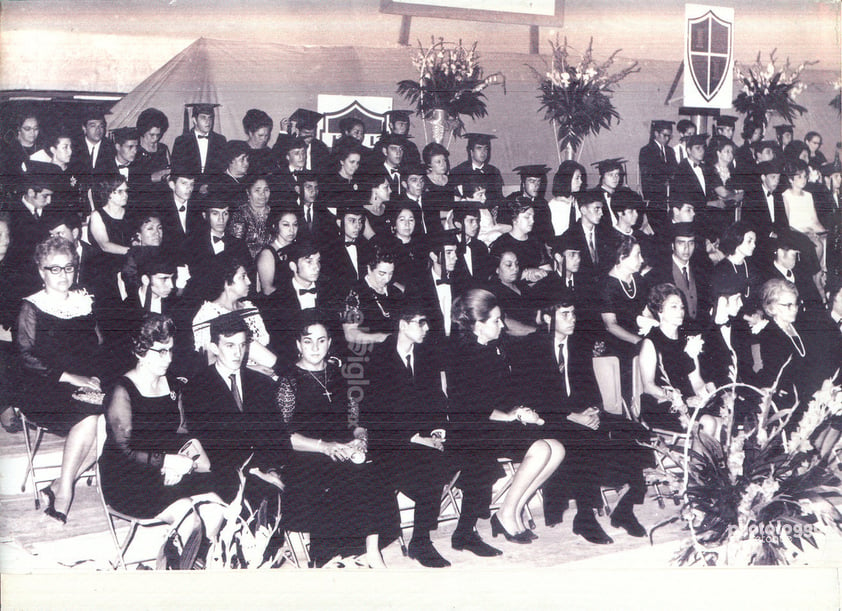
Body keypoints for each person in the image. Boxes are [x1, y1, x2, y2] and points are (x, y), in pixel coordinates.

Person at [519, 295, 652, 542]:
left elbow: (590, 386)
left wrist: (593, 411)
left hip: (580, 414)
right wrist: (574, 417)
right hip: (548, 419)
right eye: (565, 315)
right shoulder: (532, 346)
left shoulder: (577, 344)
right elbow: (535, 398)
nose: (572, 320)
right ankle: (585, 517)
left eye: (573, 313)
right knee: (583, 440)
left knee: (632, 430)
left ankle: (625, 508)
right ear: (548, 318)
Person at [276, 313, 398, 567]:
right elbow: (283, 435)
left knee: (373, 467)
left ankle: (371, 550)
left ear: (330, 343)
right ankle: (325, 555)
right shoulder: (289, 381)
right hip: (306, 453)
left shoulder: (340, 374)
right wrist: (324, 447)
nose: (315, 348)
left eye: (321, 341)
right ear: (298, 344)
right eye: (308, 341)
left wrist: (360, 438)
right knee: (327, 476)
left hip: (342, 446)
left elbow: (355, 419)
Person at [447, 289, 564, 549]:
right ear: (478, 325)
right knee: (541, 448)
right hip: (472, 429)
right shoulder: (461, 354)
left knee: (556, 448)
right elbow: (471, 407)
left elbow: (506, 393)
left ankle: (512, 510)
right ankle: (496, 519)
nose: (502, 325)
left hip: (497, 424)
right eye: (496, 320)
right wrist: (512, 416)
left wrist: (522, 411)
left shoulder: (495, 347)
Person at [100, 314, 226, 549]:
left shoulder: (173, 385)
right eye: (160, 351)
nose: (168, 359)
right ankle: (183, 568)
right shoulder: (121, 391)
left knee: (215, 509)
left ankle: (195, 562)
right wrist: (166, 462)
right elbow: (124, 451)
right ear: (140, 351)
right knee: (188, 517)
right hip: (128, 478)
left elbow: (182, 431)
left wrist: (184, 462)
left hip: (168, 467)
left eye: (170, 350)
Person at [16, 236, 107, 522]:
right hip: (45, 387)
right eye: (54, 269)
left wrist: (96, 376)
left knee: (116, 415)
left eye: (68, 268)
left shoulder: (84, 302)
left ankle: (59, 484)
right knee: (92, 414)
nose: (63, 275)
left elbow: (99, 347)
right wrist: (71, 377)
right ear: (41, 271)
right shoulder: (31, 307)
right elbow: (26, 356)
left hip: (84, 384)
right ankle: (66, 491)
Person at [365, 302, 453, 567]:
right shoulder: (377, 358)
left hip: (424, 437)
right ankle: (421, 541)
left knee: (463, 451)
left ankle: (442, 534)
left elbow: (437, 398)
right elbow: (373, 412)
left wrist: (438, 430)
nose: (426, 328)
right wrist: (415, 437)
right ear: (403, 325)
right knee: (431, 465)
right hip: (390, 441)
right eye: (420, 322)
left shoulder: (426, 354)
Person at [183, 313, 285, 514]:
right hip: (226, 472)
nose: (238, 353)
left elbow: (276, 433)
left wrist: (272, 469)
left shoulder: (262, 383)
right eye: (230, 345)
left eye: (242, 345)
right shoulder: (196, 388)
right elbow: (211, 445)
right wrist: (253, 472)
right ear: (214, 347)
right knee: (260, 494)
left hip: (265, 467)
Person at [638, 283, 711, 432]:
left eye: (682, 307)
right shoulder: (650, 342)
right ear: (660, 311)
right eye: (674, 307)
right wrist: (681, 399)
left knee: (722, 420)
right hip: (662, 404)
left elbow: (695, 379)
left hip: (687, 402)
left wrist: (704, 394)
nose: (680, 311)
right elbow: (648, 386)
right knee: (708, 423)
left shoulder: (687, 340)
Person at [191, 252, 277, 374]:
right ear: (227, 282)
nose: (249, 282)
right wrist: (250, 370)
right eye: (242, 277)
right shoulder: (208, 314)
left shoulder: (249, 308)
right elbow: (209, 362)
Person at [755, 278, 816, 428]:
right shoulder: (769, 335)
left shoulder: (798, 328)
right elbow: (772, 375)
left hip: (805, 394)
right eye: (788, 305)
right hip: (786, 402)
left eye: (795, 304)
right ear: (771, 308)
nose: (794, 309)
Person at [601, 236, 650, 399]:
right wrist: (639, 341)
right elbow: (611, 325)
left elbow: (645, 312)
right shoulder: (607, 286)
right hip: (618, 345)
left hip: (639, 339)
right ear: (622, 257)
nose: (642, 259)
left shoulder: (639, 280)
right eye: (637, 255)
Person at [340, 246, 404, 349]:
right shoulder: (355, 293)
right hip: (368, 354)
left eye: (391, 273)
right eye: (381, 274)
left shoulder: (396, 292)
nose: (387, 279)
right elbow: (350, 333)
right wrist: (381, 338)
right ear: (369, 269)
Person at [490, 197, 552, 283]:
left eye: (533, 217)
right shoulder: (501, 244)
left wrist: (541, 273)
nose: (532, 221)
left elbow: (548, 269)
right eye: (527, 217)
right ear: (515, 219)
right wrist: (526, 273)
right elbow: (495, 277)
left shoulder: (536, 241)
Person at [782, 159, 826, 272]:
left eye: (805, 176)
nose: (804, 180)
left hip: (811, 230)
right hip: (796, 233)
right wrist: (806, 234)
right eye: (799, 177)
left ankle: (824, 274)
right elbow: (786, 224)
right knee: (818, 245)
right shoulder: (785, 196)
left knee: (829, 240)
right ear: (790, 179)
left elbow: (815, 221)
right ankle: (815, 276)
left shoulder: (808, 196)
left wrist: (825, 231)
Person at [170, 103, 227, 186]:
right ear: (194, 120)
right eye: (203, 118)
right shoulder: (182, 141)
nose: (208, 122)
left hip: (213, 191)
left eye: (210, 118)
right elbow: (177, 170)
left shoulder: (220, 140)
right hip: (190, 190)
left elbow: (222, 169)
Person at [486, 250, 538, 337]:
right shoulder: (493, 291)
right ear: (497, 269)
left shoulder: (522, 286)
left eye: (516, 264)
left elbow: (537, 315)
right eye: (508, 265)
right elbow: (505, 324)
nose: (515, 268)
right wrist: (538, 332)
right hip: (513, 341)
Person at [639, 120, 677, 233]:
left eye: (669, 136)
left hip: (669, 198)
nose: (667, 139)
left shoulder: (670, 151)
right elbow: (648, 173)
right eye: (665, 135)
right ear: (656, 133)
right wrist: (665, 179)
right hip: (655, 197)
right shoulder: (646, 151)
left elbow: (674, 170)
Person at [256, 205, 300, 296]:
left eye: (295, 224)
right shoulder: (267, 254)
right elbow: (267, 290)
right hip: (277, 303)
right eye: (286, 225)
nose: (292, 230)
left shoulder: (299, 248)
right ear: (275, 226)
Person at [450, 133, 504, 202]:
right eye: (479, 148)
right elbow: (455, 200)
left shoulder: (494, 172)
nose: (483, 152)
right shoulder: (458, 172)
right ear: (471, 151)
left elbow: (499, 198)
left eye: (486, 149)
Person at [132, 108, 172, 204]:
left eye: (158, 135)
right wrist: (155, 176)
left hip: (162, 200)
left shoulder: (163, 149)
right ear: (142, 131)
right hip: (140, 201)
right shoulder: (134, 150)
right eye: (152, 135)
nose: (155, 139)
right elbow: (133, 181)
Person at [229, 174, 272, 261]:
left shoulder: (275, 212)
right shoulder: (240, 214)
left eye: (266, 190)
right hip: (249, 264)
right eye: (257, 190)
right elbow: (236, 247)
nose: (263, 194)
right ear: (248, 193)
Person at [507, 164, 553, 244]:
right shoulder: (511, 201)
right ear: (523, 183)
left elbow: (548, 233)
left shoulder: (542, 204)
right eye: (532, 181)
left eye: (539, 182)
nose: (536, 186)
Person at [422, 142, 455, 233]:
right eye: (438, 162)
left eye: (444, 160)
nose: (443, 164)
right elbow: (428, 213)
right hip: (433, 228)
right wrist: (451, 213)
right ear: (429, 165)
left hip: (452, 224)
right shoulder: (424, 183)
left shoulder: (451, 181)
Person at [547, 160, 585, 237]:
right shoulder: (553, 206)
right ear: (566, 179)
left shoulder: (578, 202)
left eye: (581, 178)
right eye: (577, 178)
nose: (581, 182)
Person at [241, 108, 277, 177]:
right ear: (250, 133)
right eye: (260, 135)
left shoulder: (269, 153)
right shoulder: (240, 151)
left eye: (266, 135)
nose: (264, 139)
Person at [359, 172, 392, 241]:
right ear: (374, 191)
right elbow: (373, 240)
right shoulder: (362, 213)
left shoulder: (388, 209)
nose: (390, 191)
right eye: (386, 187)